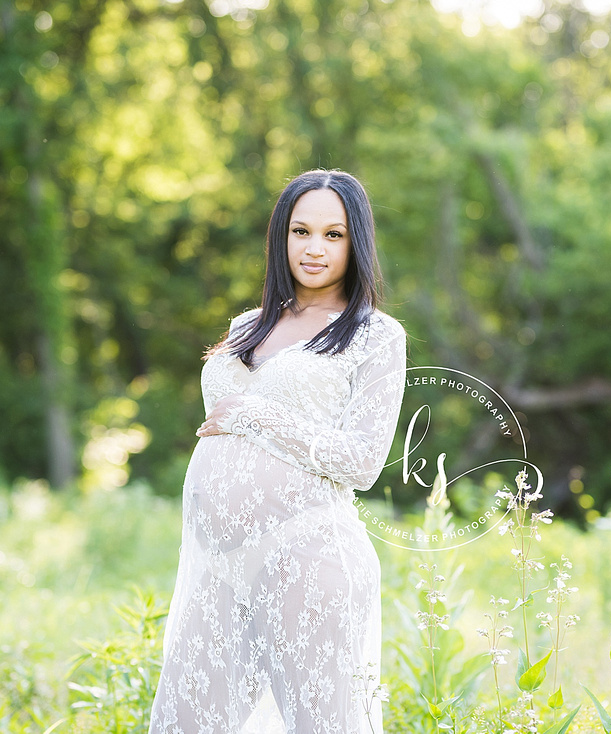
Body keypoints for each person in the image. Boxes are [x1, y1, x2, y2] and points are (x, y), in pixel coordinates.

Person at [147, 169, 407, 733]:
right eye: (301, 231)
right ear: (280, 238)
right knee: (182, 723)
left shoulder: (375, 334)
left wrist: (256, 415)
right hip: (219, 566)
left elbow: (362, 462)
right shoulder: (246, 326)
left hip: (308, 556)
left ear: (356, 241)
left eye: (333, 235)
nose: (314, 249)